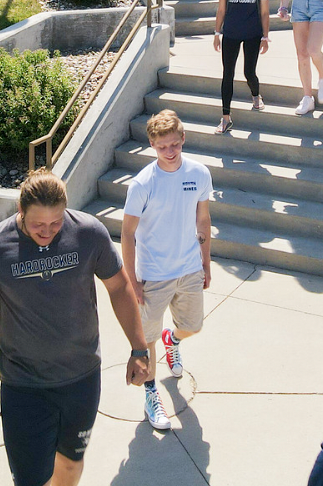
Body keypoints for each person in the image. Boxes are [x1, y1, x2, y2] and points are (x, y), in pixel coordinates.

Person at [0, 171, 151, 486]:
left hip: (82, 382)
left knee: (70, 466)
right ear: (20, 211)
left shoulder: (89, 234)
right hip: (24, 387)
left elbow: (119, 288)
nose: (47, 231)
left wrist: (139, 347)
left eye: (56, 223)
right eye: (38, 224)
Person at [120, 109, 213, 431]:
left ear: (183, 138)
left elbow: (203, 219)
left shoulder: (199, 173)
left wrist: (205, 261)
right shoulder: (143, 184)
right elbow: (127, 233)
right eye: (162, 147)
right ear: (152, 145)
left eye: (174, 144)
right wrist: (132, 281)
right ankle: (151, 395)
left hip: (189, 268)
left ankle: (172, 340)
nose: (170, 151)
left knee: (193, 326)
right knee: (145, 341)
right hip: (153, 275)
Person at [212, 0, 271, 133]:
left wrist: (265, 36)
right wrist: (217, 33)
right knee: (227, 74)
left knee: (249, 72)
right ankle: (225, 118)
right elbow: (221, 10)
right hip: (231, 33)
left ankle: (255, 95)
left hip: (253, 34)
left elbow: (265, 13)